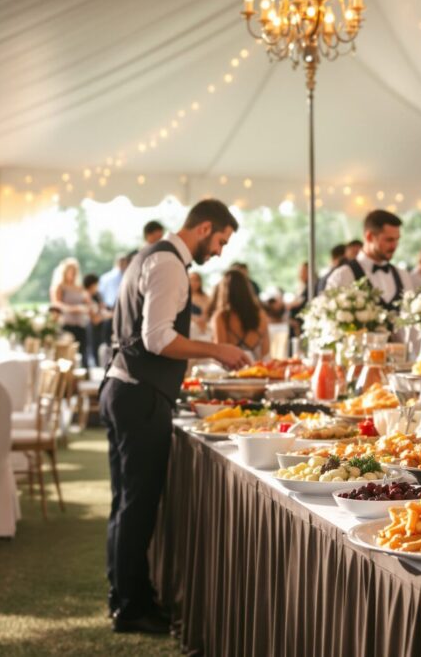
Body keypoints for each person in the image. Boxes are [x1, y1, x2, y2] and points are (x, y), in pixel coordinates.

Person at [102, 199, 249, 634]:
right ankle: (131, 607)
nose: (220, 252)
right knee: (137, 506)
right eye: (221, 240)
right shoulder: (169, 263)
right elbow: (157, 338)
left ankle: (126, 595)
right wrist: (216, 349)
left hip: (123, 389)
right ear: (204, 228)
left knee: (124, 505)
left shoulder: (149, 255)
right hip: (139, 396)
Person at [324, 210, 412, 310]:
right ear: (369, 237)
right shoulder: (343, 275)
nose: (394, 246)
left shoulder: (403, 276)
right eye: (389, 240)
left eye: (397, 239)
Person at [50, 257, 92, 367]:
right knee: (67, 353)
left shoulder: (79, 288)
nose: (73, 274)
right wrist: (74, 309)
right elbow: (56, 305)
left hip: (80, 323)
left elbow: (88, 304)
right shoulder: (60, 287)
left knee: (83, 351)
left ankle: (85, 375)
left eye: (75, 271)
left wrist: (87, 307)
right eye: (71, 271)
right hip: (66, 324)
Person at [83, 273, 107, 368]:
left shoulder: (98, 295)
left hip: (100, 324)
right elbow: (94, 317)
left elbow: (102, 307)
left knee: (100, 344)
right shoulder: (86, 296)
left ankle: (99, 364)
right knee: (93, 345)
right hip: (92, 324)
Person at [288, 262, 310, 339]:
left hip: (300, 325)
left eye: (303, 271)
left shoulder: (309, 287)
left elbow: (302, 303)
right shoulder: (301, 287)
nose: (300, 274)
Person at [188, 272, 211, 340]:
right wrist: (195, 319)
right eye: (191, 280)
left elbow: (208, 313)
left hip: (204, 325)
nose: (194, 282)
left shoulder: (205, 297)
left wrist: (203, 319)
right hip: (191, 325)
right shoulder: (184, 297)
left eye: (196, 280)